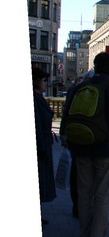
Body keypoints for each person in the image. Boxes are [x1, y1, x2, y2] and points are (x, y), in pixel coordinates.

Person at [60, 52, 109, 237]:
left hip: (81, 146)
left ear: (95, 66)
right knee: (102, 192)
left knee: (84, 191)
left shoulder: (79, 88)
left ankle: (84, 233)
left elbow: (67, 116)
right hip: (105, 147)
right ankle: (97, 236)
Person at [34, 66, 57, 218]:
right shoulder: (35, 99)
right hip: (40, 145)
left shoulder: (38, 97)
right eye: (43, 80)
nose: (45, 83)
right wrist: (42, 146)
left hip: (43, 143)